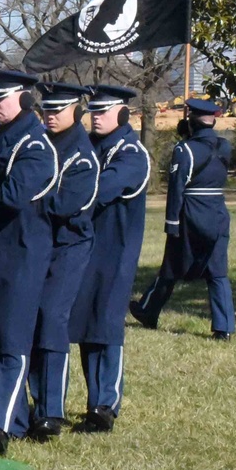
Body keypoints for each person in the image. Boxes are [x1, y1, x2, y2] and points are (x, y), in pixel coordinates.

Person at [0, 69, 58, 452]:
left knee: (13, 342)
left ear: (23, 99)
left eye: (2, 97)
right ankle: (17, 420)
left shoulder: (37, 146)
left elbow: (11, 195)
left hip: (23, 255)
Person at [68, 86, 150, 433]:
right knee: (87, 325)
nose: (96, 117)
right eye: (93, 111)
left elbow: (100, 189)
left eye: (103, 111)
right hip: (85, 249)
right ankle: (94, 400)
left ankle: (106, 403)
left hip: (115, 253)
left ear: (122, 112)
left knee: (107, 324)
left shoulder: (131, 152)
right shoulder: (91, 145)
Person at [130, 98, 235, 340]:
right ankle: (224, 327)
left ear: (191, 121)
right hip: (218, 213)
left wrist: (171, 223)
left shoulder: (185, 149)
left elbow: (177, 188)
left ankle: (147, 310)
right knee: (218, 271)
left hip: (191, 213)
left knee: (171, 267)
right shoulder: (224, 146)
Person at [29, 82, 98, 440]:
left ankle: (50, 410)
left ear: (76, 110)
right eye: (46, 109)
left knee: (52, 319)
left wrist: (23, 200)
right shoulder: (43, 142)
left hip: (67, 246)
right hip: (37, 244)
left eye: (57, 110)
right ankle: (35, 399)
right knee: (30, 320)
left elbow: (62, 205)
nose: (50, 115)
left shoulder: (82, 155)